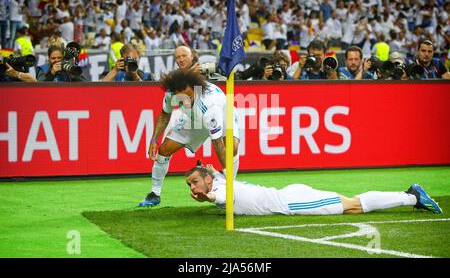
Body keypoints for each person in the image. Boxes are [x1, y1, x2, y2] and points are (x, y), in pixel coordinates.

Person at [139, 68, 240, 207]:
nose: (186, 102)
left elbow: (217, 144)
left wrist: (228, 178)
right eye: (182, 99)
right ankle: (154, 194)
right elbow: (164, 115)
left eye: (190, 96)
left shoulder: (210, 104)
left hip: (223, 116)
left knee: (231, 148)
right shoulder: (170, 94)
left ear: (195, 89)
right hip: (194, 120)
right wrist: (154, 139)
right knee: (164, 149)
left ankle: (230, 189)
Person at [186, 162, 443, 216]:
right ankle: (409, 196)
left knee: (353, 205)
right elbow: (215, 188)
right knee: (352, 208)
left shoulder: (219, 187)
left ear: (208, 180)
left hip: (292, 203)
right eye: (190, 184)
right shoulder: (218, 178)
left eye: (194, 182)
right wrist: (205, 194)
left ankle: (411, 197)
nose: (192, 187)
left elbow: (220, 195)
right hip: (290, 195)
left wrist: (208, 196)